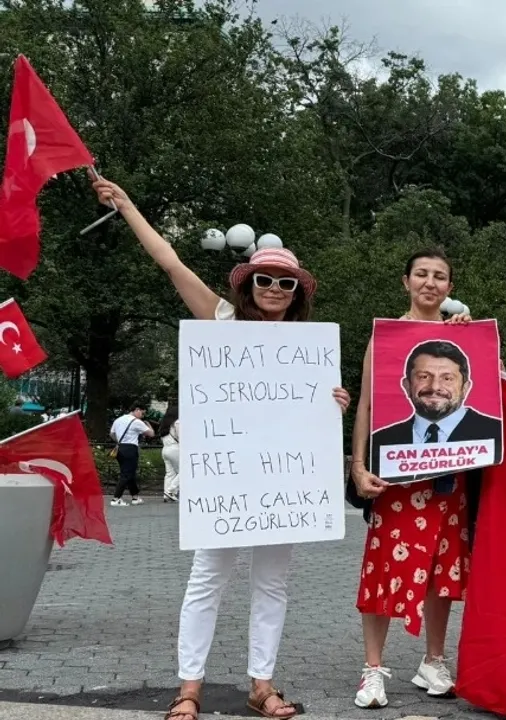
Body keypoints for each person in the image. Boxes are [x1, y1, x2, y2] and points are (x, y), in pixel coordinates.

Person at [93, 178, 352, 720]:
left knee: (272, 585)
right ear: (247, 284)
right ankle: (190, 688)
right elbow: (170, 263)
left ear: (297, 292)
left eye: (285, 282)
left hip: (282, 485)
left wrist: (335, 403)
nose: (274, 288)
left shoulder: (309, 350)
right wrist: (127, 206)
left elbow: (311, 418)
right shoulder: (220, 321)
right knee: (207, 580)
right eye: (264, 278)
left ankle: (262, 684)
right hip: (226, 482)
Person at [348, 249, 477, 709]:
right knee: (384, 568)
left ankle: (433, 659)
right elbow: (366, 403)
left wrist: (471, 335)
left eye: (440, 276)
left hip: (449, 478)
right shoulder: (386, 335)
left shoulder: (463, 336)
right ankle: (373, 668)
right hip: (397, 480)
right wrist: (358, 465)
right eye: (421, 274)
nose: (430, 282)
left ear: (450, 286)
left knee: (444, 570)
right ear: (406, 281)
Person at [368, 339, 502, 468]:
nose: (435, 387)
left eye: (447, 378)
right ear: (407, 385)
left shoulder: (497, 433)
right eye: (424, 377)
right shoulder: (382, 440)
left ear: (465, 388)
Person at [109, 402, 153, 507]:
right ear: (137, 410)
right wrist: (147, 424)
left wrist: (119, 440)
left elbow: (112, 433)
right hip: (130, 449)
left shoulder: (118, 420)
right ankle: (116, 498)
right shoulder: (136, 422)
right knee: (126, 474)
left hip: (120, 448)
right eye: (142, 413)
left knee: (129, 472)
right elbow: (151, 434)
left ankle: (135, 497)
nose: (142, 416)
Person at [159, 404, 181, 503]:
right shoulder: (177, 422)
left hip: (165, 449)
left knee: (170, 473)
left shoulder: (165, 425)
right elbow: (181, 437)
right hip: (175, 448)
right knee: (184, 471)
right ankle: (171, 490)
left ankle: (166, 494)